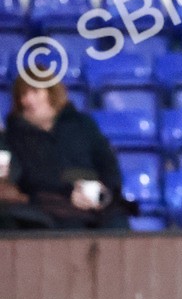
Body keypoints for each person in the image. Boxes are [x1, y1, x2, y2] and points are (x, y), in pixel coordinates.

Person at [0, 73, 130, 231]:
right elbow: (26, 178)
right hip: (49, 205)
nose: (27, 100)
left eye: (34, 91)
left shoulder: (82, 124)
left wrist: (103, 193)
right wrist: (70, 191)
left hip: (95, 200)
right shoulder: (14, 135)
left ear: (51, 92)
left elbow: (108, 165)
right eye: (22, 95)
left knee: (117, 222)